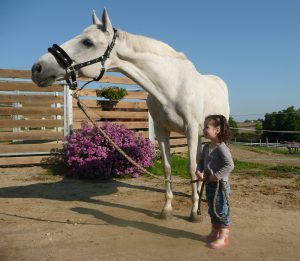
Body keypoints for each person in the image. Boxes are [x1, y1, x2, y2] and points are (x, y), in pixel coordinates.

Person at [196, 114, 234, 249]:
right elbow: (201, 162)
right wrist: (199, 171)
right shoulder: (207, 147)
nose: (204, 129)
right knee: (212, 209)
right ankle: (214, 232)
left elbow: (230, 165)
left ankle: (223, 237)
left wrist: (216, 176)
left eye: (207, 127)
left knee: (221, 210)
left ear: (217, 130)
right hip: (210, 185)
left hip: (221, 186)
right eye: (203, 126)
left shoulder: (221, 147)